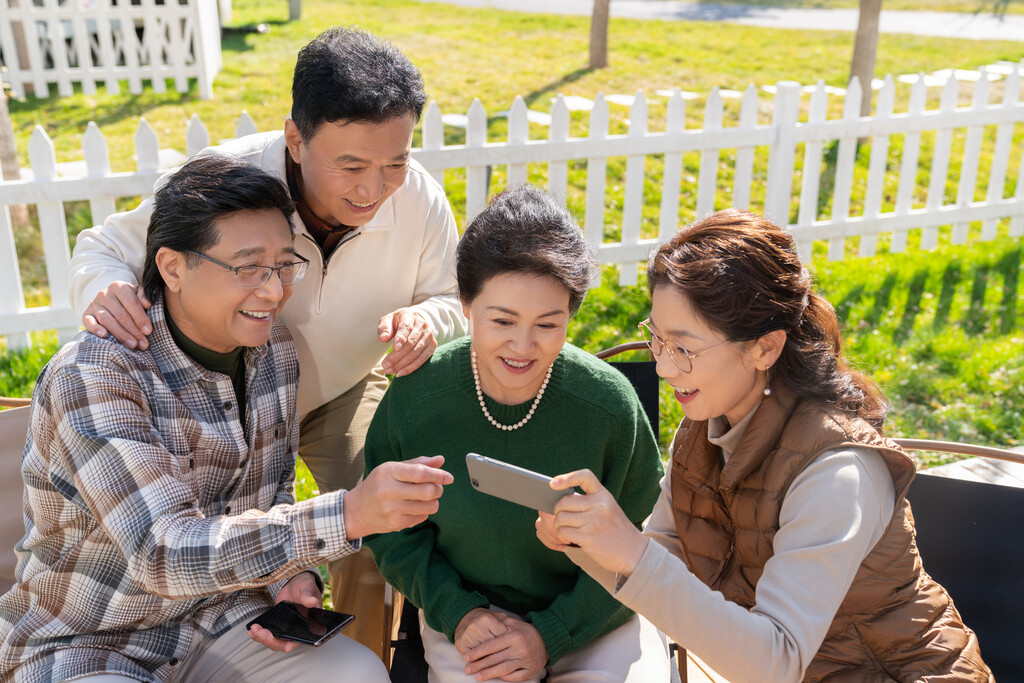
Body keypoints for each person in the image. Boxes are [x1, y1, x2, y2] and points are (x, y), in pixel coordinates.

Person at [66, 26, 468, 649]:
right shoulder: (227, 183)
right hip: (230, 395)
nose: (373, 189)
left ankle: (352, 652)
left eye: (395, 162)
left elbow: (450, 296)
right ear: (295, 140)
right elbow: (104, 246)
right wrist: (104, 288)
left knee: (380, 515)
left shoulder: (417, 196)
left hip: (340, 387)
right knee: (205, 534)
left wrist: (430, 320)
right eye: (351, 166)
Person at [0, 156, 453, 683]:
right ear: (172, 267)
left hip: (222, 618)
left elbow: (273, 495)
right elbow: (161, 552)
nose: (273, 290)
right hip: (90, 642)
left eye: (284, 265)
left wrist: (293, 573)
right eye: (247, 267)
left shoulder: (274, 352)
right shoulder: (96, 373)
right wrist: (349, 514)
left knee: (357, 674)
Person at [537, 209, 993, 682]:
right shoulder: (704, 430)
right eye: (656, 338)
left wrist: (631, 552)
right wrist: (587, 546)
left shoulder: (838, 471)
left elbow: (773, 663)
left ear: (765, 348)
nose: (663, 368)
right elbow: (664, 568)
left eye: (684, 348)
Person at [364, 185, 670, 683]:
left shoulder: (609, 405)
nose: (523, 346)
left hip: (598, 619)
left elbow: (649, 542)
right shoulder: (418, 398)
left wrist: (551, 633)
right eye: (502, 320)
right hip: (470, 621)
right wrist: (459, 612)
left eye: (548, 324)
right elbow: (391, 533)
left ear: (571, 313)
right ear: (465, 303)